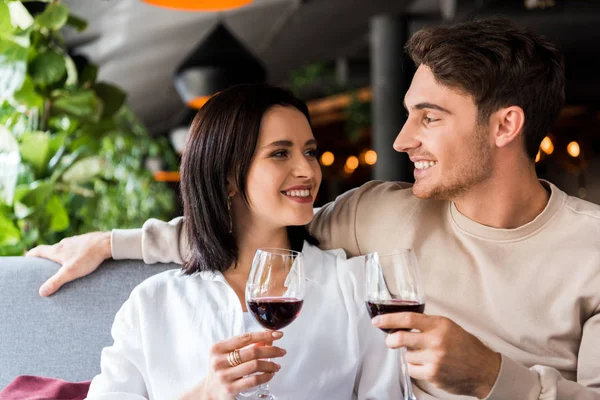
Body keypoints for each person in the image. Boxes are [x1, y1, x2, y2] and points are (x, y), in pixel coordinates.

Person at [28, 16, 600, 400]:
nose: (400, 142)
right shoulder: (377, 213)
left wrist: (494, 377)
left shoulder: (591, 252)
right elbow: (253, 228)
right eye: (407, 115)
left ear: (505, 125)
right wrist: (112, 243)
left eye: (429, 117)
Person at [79, 83, 402, 399]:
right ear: (228, 178)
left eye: (309, 151)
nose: (307, 169)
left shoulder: (356, 286)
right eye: (280, 153)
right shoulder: (153, 303)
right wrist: (204, 395)